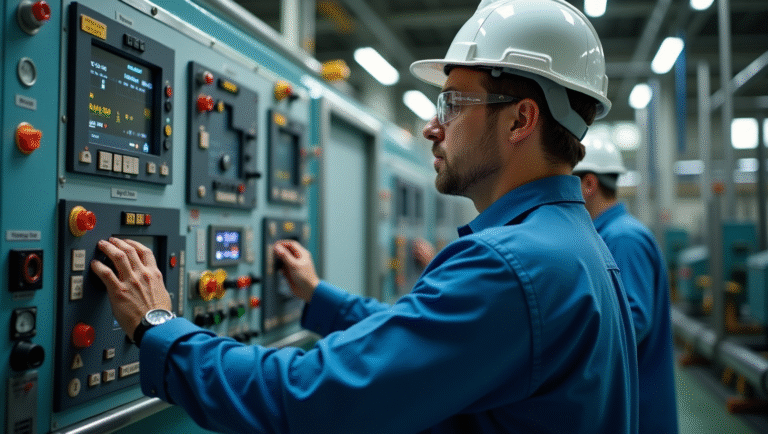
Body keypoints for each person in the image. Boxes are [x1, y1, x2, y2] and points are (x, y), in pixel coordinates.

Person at [92, 0, 638, 432]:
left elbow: (308, 397)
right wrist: (318, 295)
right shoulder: (571, 247)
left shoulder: (511, 265)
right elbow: (420, 341)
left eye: (451, 103)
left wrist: (158, 327)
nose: (432, 127)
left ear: (521, 120)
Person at [573, 138, 678, 433]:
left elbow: (634, 320)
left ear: (588, 184)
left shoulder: (623, 238)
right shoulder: (609, 234)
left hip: (639, 409)